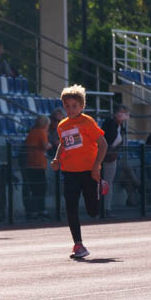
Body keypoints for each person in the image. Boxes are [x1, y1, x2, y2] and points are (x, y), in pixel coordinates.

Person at [50, 84, 106, 260]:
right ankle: (78, 244)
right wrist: (57, 159)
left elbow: (103, 144)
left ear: (82, 106)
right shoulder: (62, 125)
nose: (70, 109)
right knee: (71, 207)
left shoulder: (87, 122)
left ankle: (99, 189)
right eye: (67, 106)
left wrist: (97, 165)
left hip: (89, 171)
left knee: (93, 211)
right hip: (70, 172)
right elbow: (63, 143)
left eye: (74, 106)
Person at [100, 106, 137, 215]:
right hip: (103, 157)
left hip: (112, 157)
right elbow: (107, 139)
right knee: (103, 183)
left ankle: (106, 209)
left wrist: (115, 151)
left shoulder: (121, 127)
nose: (123, 115)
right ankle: (101, 209)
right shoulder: (110, 123)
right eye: (121, 112)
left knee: (108, 183)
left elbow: (118, 143)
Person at [22, 115, 50, 218]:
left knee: (34, 189)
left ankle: (35, 210)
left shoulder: (32, 132)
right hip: (38, 164)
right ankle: (40, 210)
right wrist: (51, 145)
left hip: (30, 163)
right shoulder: (41, 132)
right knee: (41, 189)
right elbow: (45, 146)